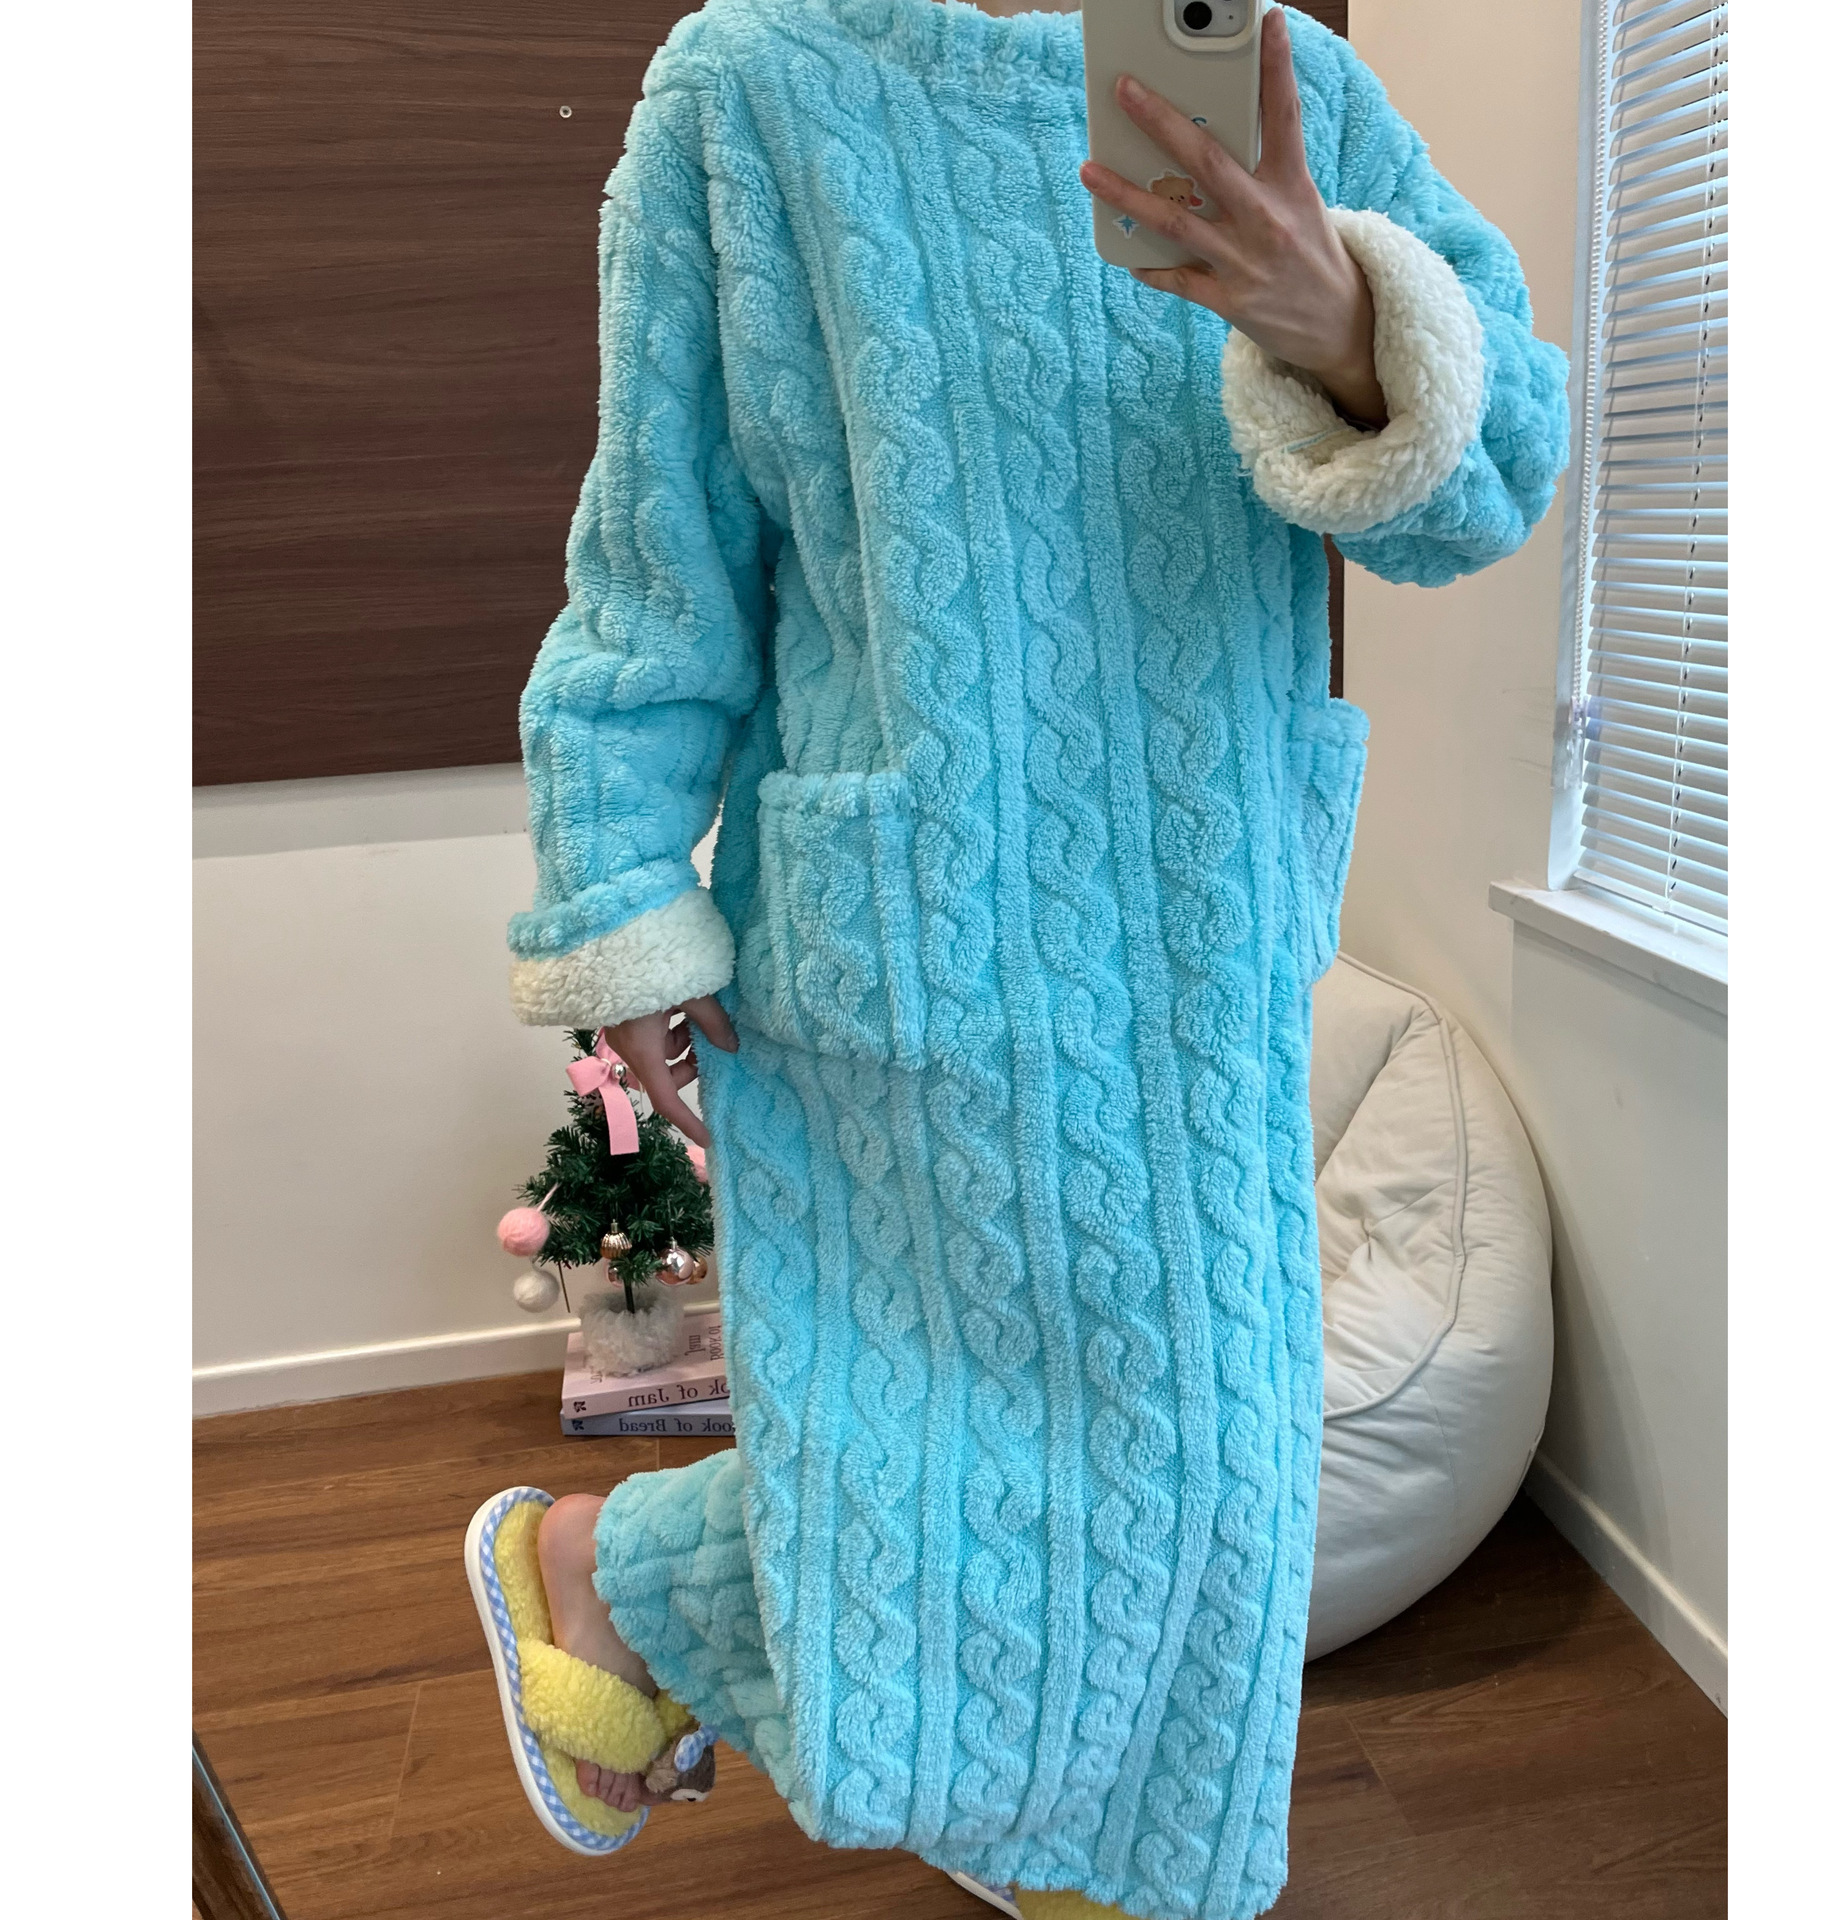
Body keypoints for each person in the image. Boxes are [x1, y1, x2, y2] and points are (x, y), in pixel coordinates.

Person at [475, 3, 1568, 1916]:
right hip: (918, 931)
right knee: (928, 1462)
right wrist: (618, 892)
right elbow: (657, 555)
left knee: (1223, 1472)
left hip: (1208, 936)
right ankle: (1064, 1850)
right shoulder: (754, 85)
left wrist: (1340, 320)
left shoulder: (1293, 82)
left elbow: (1504, 469)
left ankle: (620, 1579)